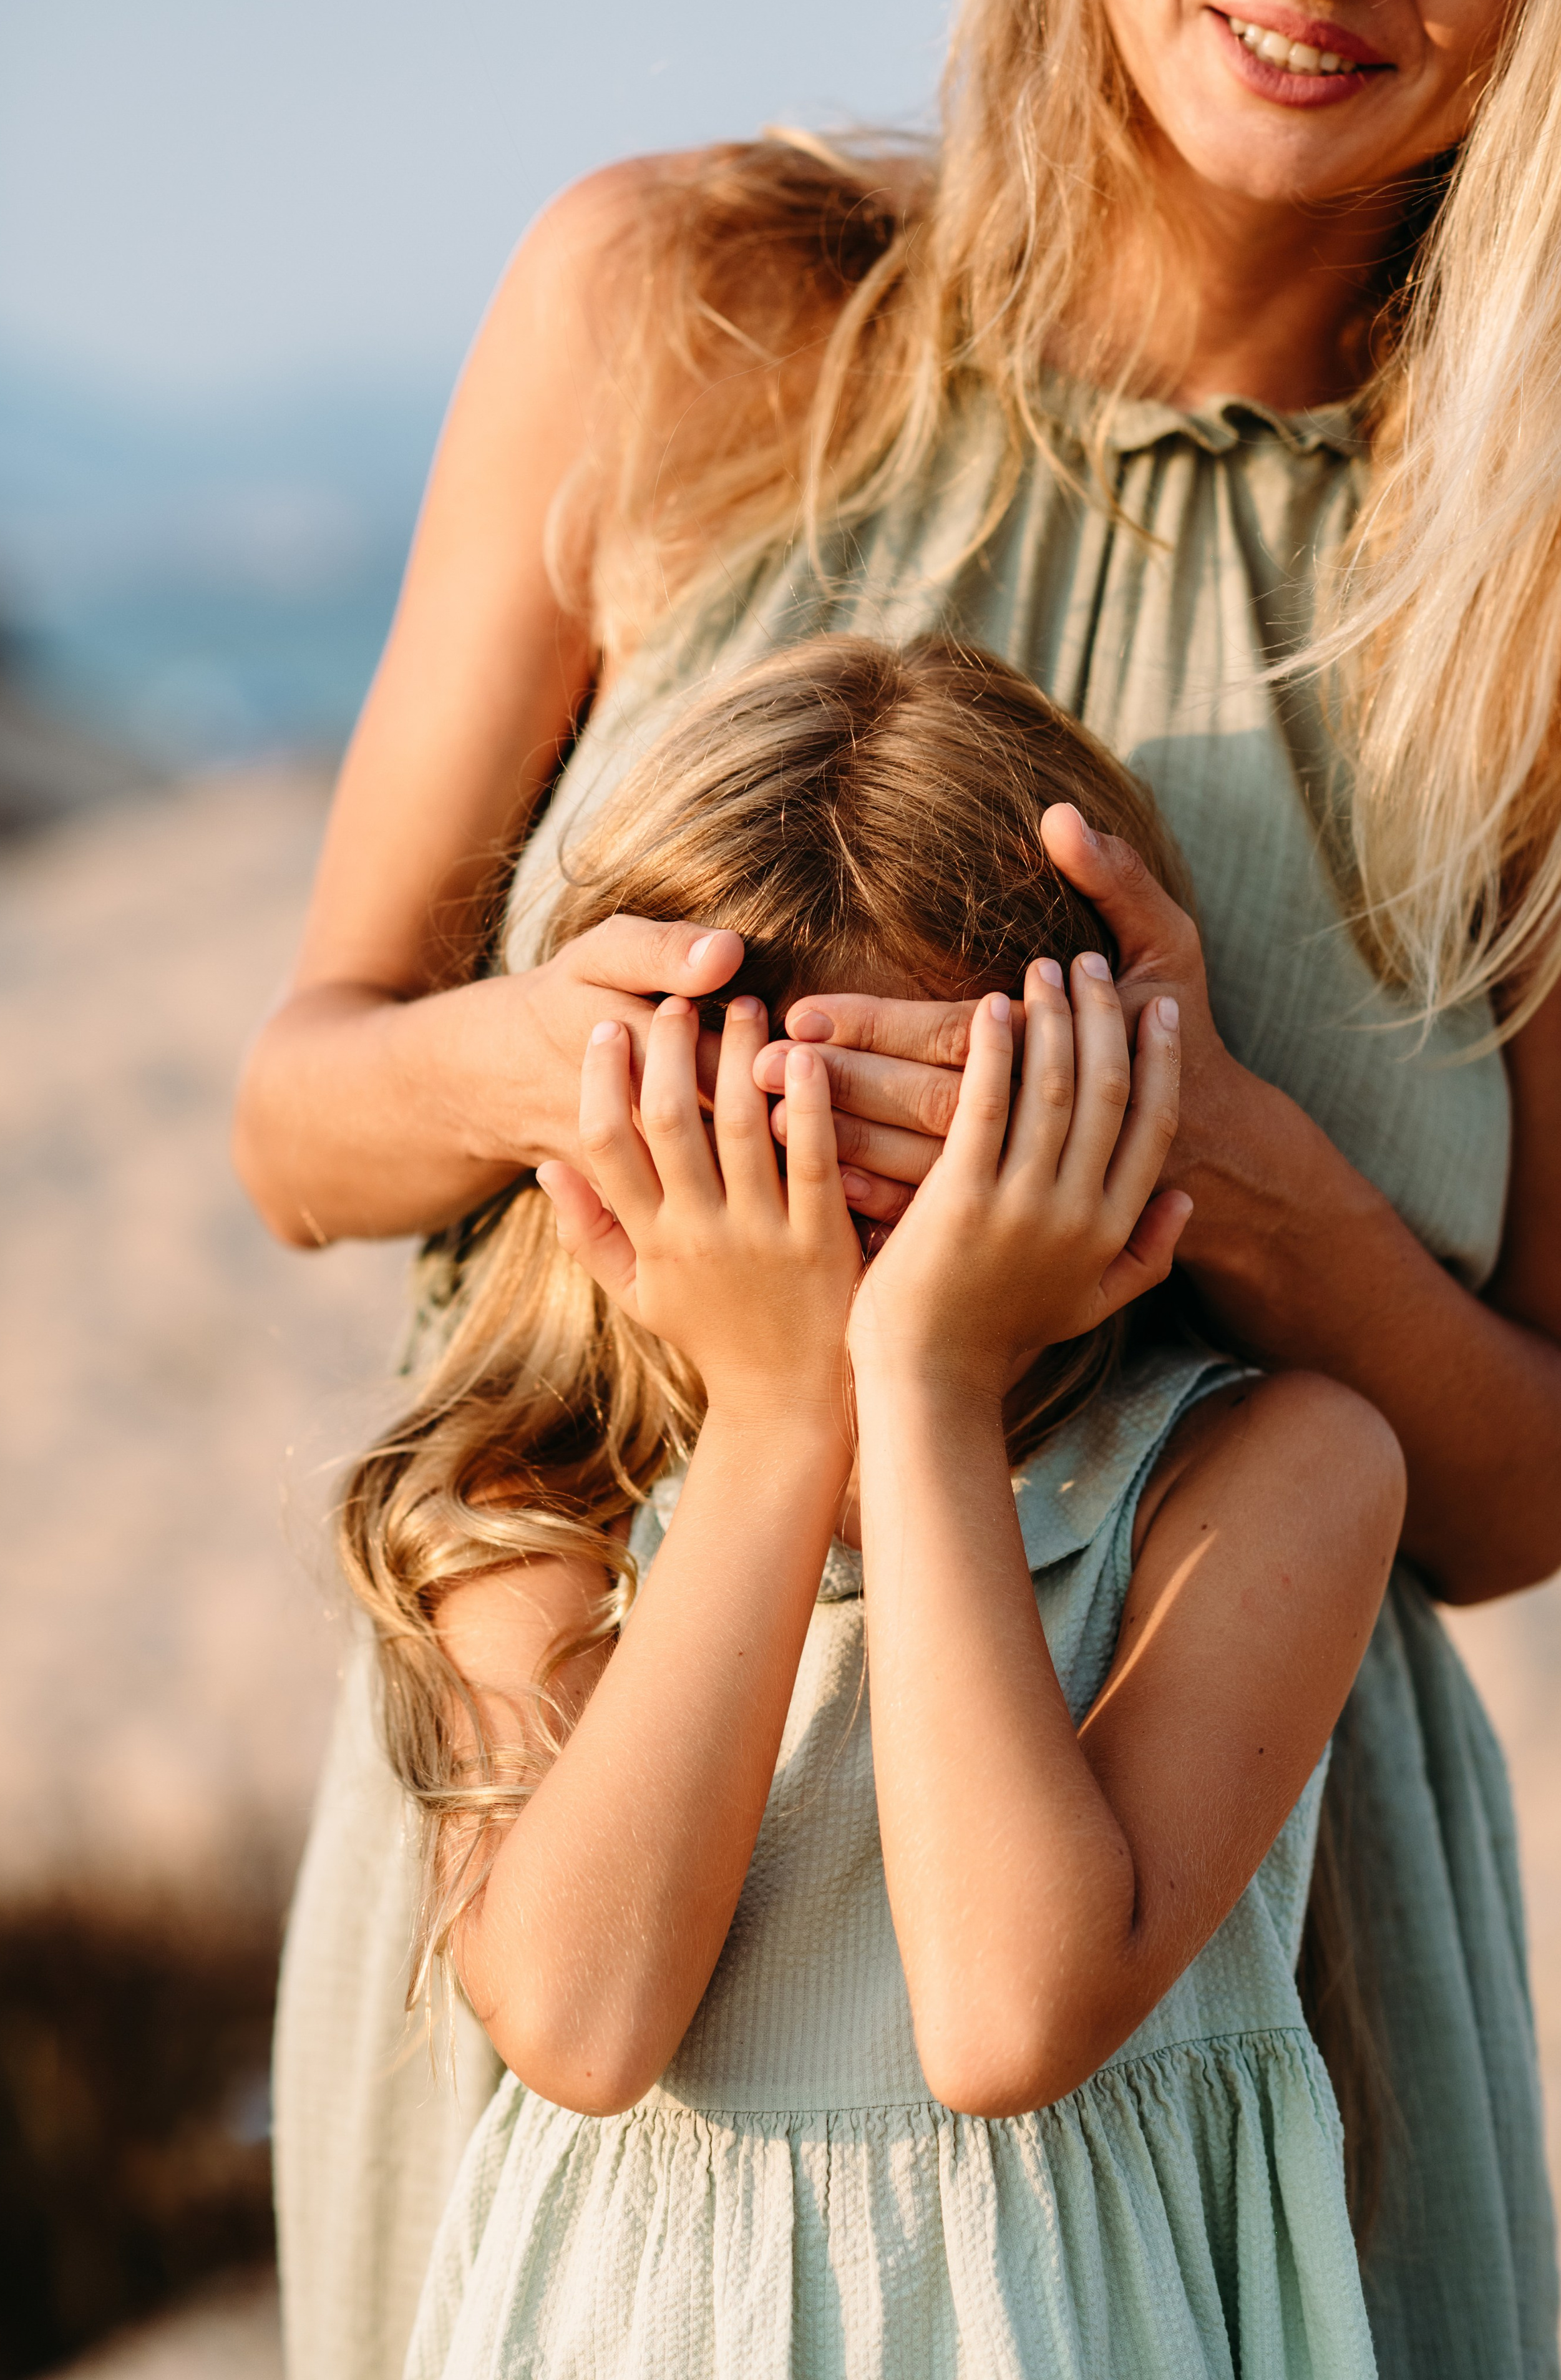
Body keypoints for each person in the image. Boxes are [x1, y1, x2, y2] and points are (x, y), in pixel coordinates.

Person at [238, 0, 1561, 2376]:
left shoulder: (1529, 548)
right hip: (609, 1700)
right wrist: (574, 1067)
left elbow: (1523, 1491)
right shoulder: (675, 307)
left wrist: (1227, 1165)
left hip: (1209, 1853)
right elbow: (296, 1126)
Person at [341, 635, 1398, 2379]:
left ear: (1105, 1123)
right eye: (768, 1156)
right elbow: (586, 2025)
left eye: (929, 1152)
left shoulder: (1272, 1476)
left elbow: (1007, 2014)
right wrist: (774, 1418)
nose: (847, 1242)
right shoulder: (537, 1507)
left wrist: (922, 1386)